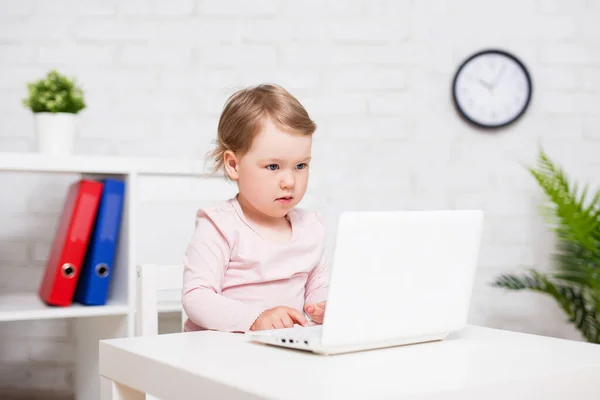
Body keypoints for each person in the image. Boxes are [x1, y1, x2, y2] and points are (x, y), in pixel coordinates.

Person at [182, 83, 329, 333]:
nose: (290, 181)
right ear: (233, 165)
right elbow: (196, 297)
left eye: (301, 166)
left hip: (281, 354)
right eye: (273, 167)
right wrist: (255, 318)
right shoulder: (220, 225)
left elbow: (317, 288)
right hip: (221, 354)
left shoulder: (311, 227)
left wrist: (323, 306)